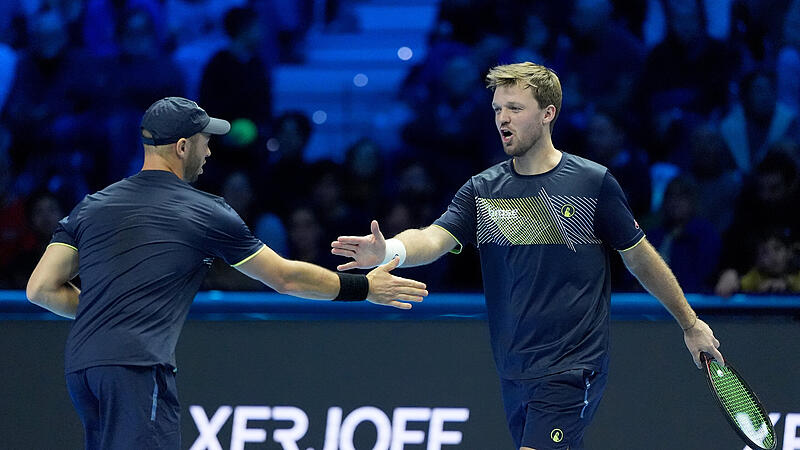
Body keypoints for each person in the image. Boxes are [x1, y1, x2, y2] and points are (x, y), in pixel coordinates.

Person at [331, 62, 723, 450]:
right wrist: (391, 249)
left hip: (572, 367)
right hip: (514, 371)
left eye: (515, 108)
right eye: (498, 109)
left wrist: (690, 324)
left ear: (548, 114)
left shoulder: (593, 183)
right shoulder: (481, 190)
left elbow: (640, 259)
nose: (503, 118)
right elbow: (434, 238)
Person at [25, 97, 428, 450]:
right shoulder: (204, 210)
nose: (210, 152)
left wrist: (106, 313)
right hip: (136, 367)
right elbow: (284, 277)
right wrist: (365, 287)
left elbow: (40, 289)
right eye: (205, 141)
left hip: (82, 368)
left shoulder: (91, 206)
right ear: (182, 147)